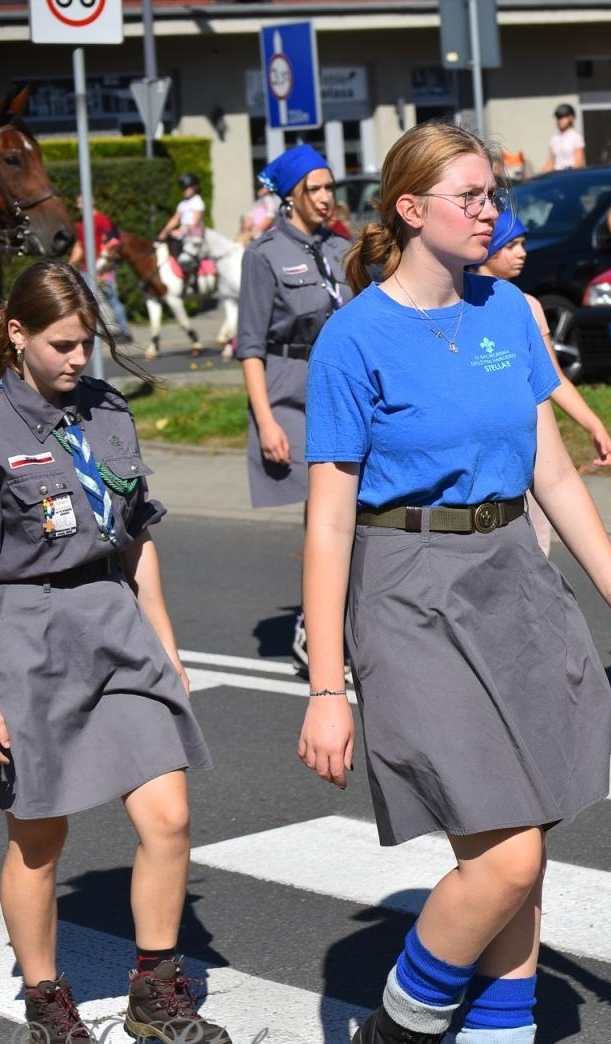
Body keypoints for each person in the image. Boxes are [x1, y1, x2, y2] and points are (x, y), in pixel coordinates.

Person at [298, 119, 611, 1044]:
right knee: (507, 855)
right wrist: (327, 689)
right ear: (412, 210)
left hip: (512, 574)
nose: (490, 212)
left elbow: (549, 471)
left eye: (494, 195)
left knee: (519, 842)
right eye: (471, 196)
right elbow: (330, 522)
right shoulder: (354, 340)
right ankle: (400, 1034)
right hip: (410, 591)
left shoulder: (508, 310)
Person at [0, 261, 230, 1044]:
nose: (76, 360)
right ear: (17, 334)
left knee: (167, 816)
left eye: (87, 344)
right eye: (60, 344)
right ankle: (48, 1004)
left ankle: (155, 996)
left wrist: (165, 642)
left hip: (116, 622)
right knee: (40, 836)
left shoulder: (107, 410)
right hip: (27, 635)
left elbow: (136, 535)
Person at [236, 144, 352, 674]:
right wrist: (265, 421)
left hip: (341, 384)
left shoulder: (340, 248)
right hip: (289, 390)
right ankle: (316, 625)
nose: (327, 198)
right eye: (317, 188)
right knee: (322, 507)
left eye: (331, 187)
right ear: (291, 196)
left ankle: (343, 615)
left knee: (350, 502)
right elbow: (250, 346)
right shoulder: (263, 255)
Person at [476, 207, 611, 553]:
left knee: (538, 545)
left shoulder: (529, 305)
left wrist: (592, 424)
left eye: (523, 244)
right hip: (489, 450)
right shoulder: (460, 305)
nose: (522, 253)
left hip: (532, 446)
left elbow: (552, 377)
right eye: (511, 245)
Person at [67, 195, 131, 341]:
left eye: (81, 202)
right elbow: (80, 246)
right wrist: (70, 264)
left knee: (111, 299)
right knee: (89, 301)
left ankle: (125, 331)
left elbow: (114, 242)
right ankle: (98, 332)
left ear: (92, 201)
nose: (78, 206)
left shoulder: (101, 219)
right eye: (78, 203)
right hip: (85, 270)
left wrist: (105, 263)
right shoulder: (81, 225)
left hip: (102, 270)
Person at [156, 172, 206, 294]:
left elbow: (195, 222)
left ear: (194, 187)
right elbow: (175, 219)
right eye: (183, 188)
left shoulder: (198, 202)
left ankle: (192, 279)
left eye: (186, 188)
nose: (184, 191)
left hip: (194, 235)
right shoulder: (182, 204)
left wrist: (180, 231)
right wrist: (164, 232)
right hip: (183, 234)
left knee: (186, 255)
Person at [542, 104, 585, 172]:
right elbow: (550, 163)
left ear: (571, 118)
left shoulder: (576, 137)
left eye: (562, 117)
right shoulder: (554, 139)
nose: (559, 120)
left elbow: (579, 163)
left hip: (570, 176)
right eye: (558, 118)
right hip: (556, 176)